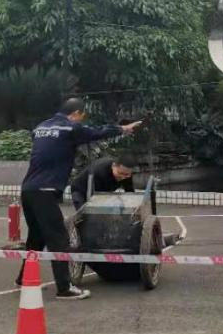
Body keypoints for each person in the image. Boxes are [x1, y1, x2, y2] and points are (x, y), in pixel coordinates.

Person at [16, 99, 141, 298]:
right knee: (59, 239)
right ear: (76, 113)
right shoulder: (70, 128)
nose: (81, 121)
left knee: (36, 237)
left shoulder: (40, 128)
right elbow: (96, 132)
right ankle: (65, 288)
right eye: (81, 117)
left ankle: (24, 278)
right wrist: (122, 129)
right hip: (45, 190)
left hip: (28, 189)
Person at [71, 154, 136, 210]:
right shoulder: (101, 171)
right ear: (113, 166)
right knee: (85, 214)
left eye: (127, 174)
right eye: (120, 173)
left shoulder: (127, 174)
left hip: (101, 191)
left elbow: (130, 192)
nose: (123, 177)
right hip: (81, 189)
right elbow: (97, 197)